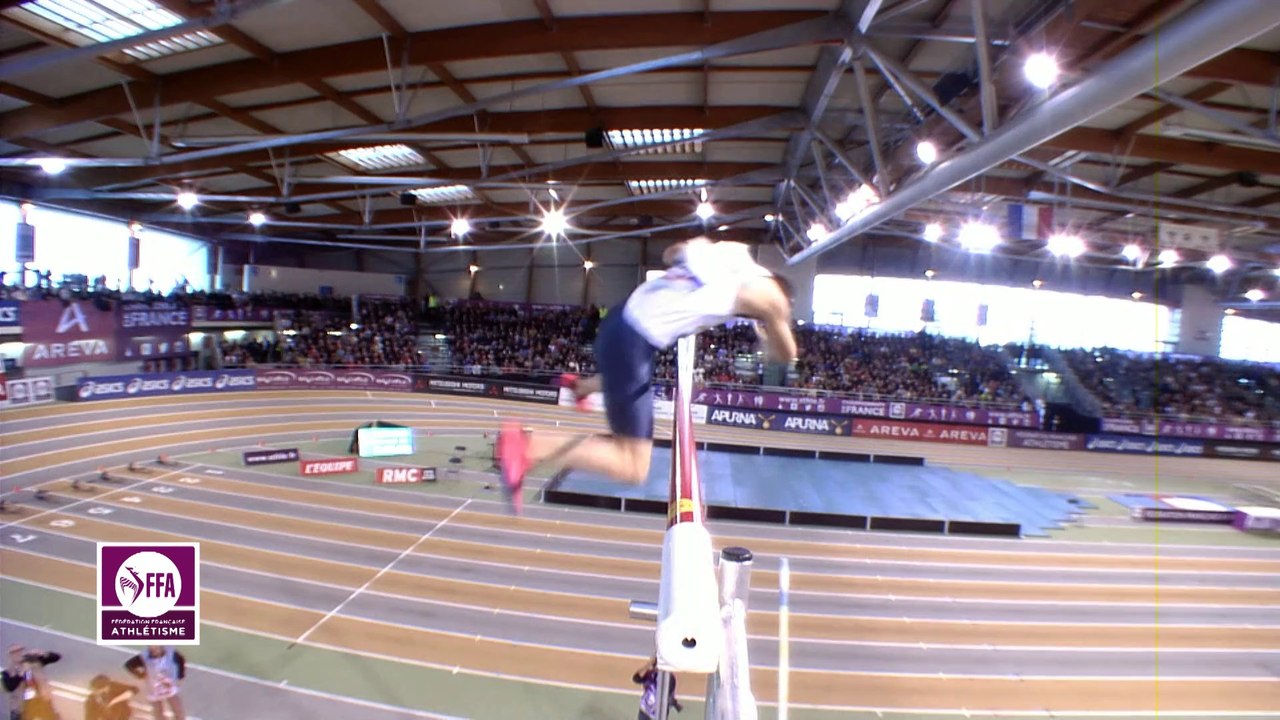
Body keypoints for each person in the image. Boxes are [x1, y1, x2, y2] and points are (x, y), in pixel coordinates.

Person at [496, 238, 797, 508]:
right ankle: (530, 445)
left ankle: (582, 388)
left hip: (619, 320)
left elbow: (673, 252)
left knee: (635, 376)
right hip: (634, 340)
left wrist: (692, 265)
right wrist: (768, 331)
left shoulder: (732, 252)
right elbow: (787, 355)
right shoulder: (772, 294)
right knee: (633, 466)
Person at [123, 646, 185, 720]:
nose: (154, 651)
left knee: (178, 711)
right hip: (154, 688)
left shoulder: (171, 653)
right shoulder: (144, 657)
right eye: (152, 649)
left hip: (169, 687)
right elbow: (128, 665)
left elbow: (181, 660)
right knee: (158, 713)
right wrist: (140, 675)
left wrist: (180, 674)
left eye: (156, 649)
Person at [2, 644, 60, 720]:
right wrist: (20, 674)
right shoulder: (8, 673)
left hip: (41, 703)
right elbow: (10, 687)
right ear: (10, 656)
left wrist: (43, 653)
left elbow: (56, 657)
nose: (18, 654)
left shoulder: (34, 662)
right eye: (14, 652)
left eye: (19, 651)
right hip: (21, 708)